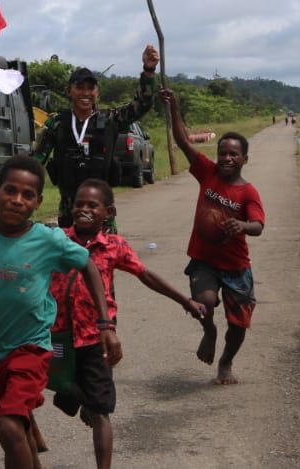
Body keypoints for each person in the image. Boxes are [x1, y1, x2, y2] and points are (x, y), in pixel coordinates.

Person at [0, 156, 119, 469]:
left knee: (9, 426)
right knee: (18, 430)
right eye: (10, 191)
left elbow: (88, 265)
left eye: (27, 195)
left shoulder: (49, 240)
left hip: (31, 349)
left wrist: (105, 322)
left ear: (38, 202)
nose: (17, 200)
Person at [49, 179, 205, 468]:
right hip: (58, 337)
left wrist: (186, 301)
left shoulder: (113, 246)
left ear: (109, 212)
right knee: (56, 384)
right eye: (78, 204)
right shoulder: (57, 240)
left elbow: (145, 275)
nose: (83, 210)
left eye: (92, 206)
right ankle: (78, 399)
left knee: (100, 413)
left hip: (96, 339)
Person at [159, 88, 265, 386]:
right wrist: (174, 107)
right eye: (223, 153)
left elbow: (258, 225)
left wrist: (242, 226)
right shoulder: (207, 173)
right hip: (204, 260)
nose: (227, 158)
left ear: (244, 158)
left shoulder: (247, 191)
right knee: (203, 302)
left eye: (234, 154)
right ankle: (209, 331)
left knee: (239, 324)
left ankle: (226, 361)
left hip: (236, 266)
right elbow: (182, 140)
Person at [34, 45, 159, 227]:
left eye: (90, 88)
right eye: (79, 87)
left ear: (97, 93)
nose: (85, 93)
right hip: (69, 212)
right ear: (68, 91)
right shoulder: (56, 123)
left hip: (102, 214)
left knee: (105, 255)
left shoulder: (111, 120)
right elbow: (36, 163)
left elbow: (142, 105)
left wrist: (148, 71)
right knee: (69, 255)